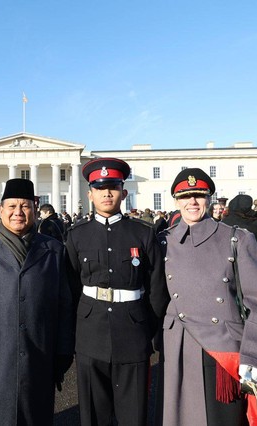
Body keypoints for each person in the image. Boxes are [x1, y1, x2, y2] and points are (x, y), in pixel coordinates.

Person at [156, 168, 257, 426]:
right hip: (177, 345)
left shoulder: (236, 239)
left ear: (209, 198)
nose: (192, 202)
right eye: (185, 196)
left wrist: (256, 356)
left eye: (199, 195)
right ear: (176, 201)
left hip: (221, 349)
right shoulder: (162, 242)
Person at [0, 178, 74, 425]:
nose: (18, 212)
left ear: (34, 209)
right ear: (1, 210)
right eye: (11, 206)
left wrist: (64, 349)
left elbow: (64, 303)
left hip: (39, 350)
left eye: (25, 206)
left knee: (37, 414)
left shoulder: (54, 250)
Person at [65, 158, 169, 426]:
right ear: (90, 194)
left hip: (132, 329)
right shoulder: (77, 235)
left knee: (133, 414)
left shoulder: (143, 233)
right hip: (91, 332)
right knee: (93, 414)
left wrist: (151, 329)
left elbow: (156, 286)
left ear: (123, 192)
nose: (107, 193)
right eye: (100, 188)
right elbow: (71, 285)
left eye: (112, 187)